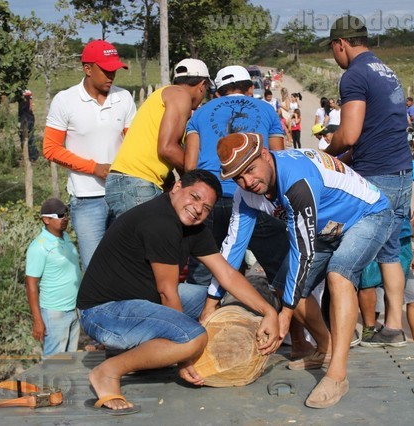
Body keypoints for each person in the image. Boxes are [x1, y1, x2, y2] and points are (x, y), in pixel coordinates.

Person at [207, 132, 393, 408]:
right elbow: (232, 248)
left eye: (250, 170)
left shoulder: (297, 181)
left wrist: (285, 314)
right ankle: (325, 346)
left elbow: (302, 252)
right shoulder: (244, 194)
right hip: (326, 229)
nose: (247, 182)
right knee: (284, 285)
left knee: (339, 274)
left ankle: (337, 375)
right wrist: (211, 303)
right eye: (238, 178)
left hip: (367, 215)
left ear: (265, 155)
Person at [76, 170, 281, 413]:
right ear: (177, 187)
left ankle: (153, 350)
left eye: (206, 207)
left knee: (213, 300)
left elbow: (226, 273)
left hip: (141, 301)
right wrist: (184, 358)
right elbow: (167, 292)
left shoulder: (193, 227)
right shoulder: (159, 221)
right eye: (194, 197)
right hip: (103, 312)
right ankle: (108, 372)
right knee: (192, 338)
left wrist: (269, 312)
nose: (198, 209)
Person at [324, 15, 414, 347]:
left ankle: (343, 335)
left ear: (340, 44)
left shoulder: (354, 75)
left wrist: (326, 155)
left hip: (376, 178)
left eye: (333, 49)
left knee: (345, 259)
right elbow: (375, 133)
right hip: (402, 174)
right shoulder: (385, 70)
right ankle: (393, 327)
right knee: (389, 252)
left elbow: (349, 134)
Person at [183, 64, 287, 287]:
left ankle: (202, 307)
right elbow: (278, 158)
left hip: (210, 197)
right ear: (250, 89)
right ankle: (286, 306)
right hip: (253, 195)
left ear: (217, 93)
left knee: (203, 269)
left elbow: (190, 166)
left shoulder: (200, 113)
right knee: (279, 267)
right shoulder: (267, 109)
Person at [43, 40, 136, 268]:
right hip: (86, 199)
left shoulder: (124, 97)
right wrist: (94, 168)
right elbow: (50, 148)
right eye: (106, 70)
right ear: (87, 69)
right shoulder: (65, 100)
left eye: (114, 70)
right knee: (95, 268)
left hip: (122, 194)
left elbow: (134, 143)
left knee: (126, 264)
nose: (111, 75)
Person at [104, 58, 212, 219]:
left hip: (127, 181)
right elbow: (167, 148)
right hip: (138, 183)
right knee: (147, 234)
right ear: (202, 85)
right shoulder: (180, 95)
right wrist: (197, 177)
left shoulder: (163, 95)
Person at [359, 161, 414, 344]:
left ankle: (393, 331)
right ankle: (369, 331)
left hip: (400, 236)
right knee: (367, 284)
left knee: (399, 289)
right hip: (369, 230)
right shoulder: (361, 157)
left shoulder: (399, 157)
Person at [25, 198, 82, 358]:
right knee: (53, 363)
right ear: (46, 219)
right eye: (60, 215)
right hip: (55, 313)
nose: (65, 218)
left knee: (70, 360)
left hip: (74, 309)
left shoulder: (66, 238)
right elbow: (31, 285)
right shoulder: (39, 247)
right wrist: (38, 320)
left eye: (66, 214)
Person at [18, 89, 38, 162]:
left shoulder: (25, 100)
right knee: (28, 138)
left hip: (26, 119)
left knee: (27, 138)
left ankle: (32, 156)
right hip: (28, 118)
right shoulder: (27, 99)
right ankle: (29, 155)